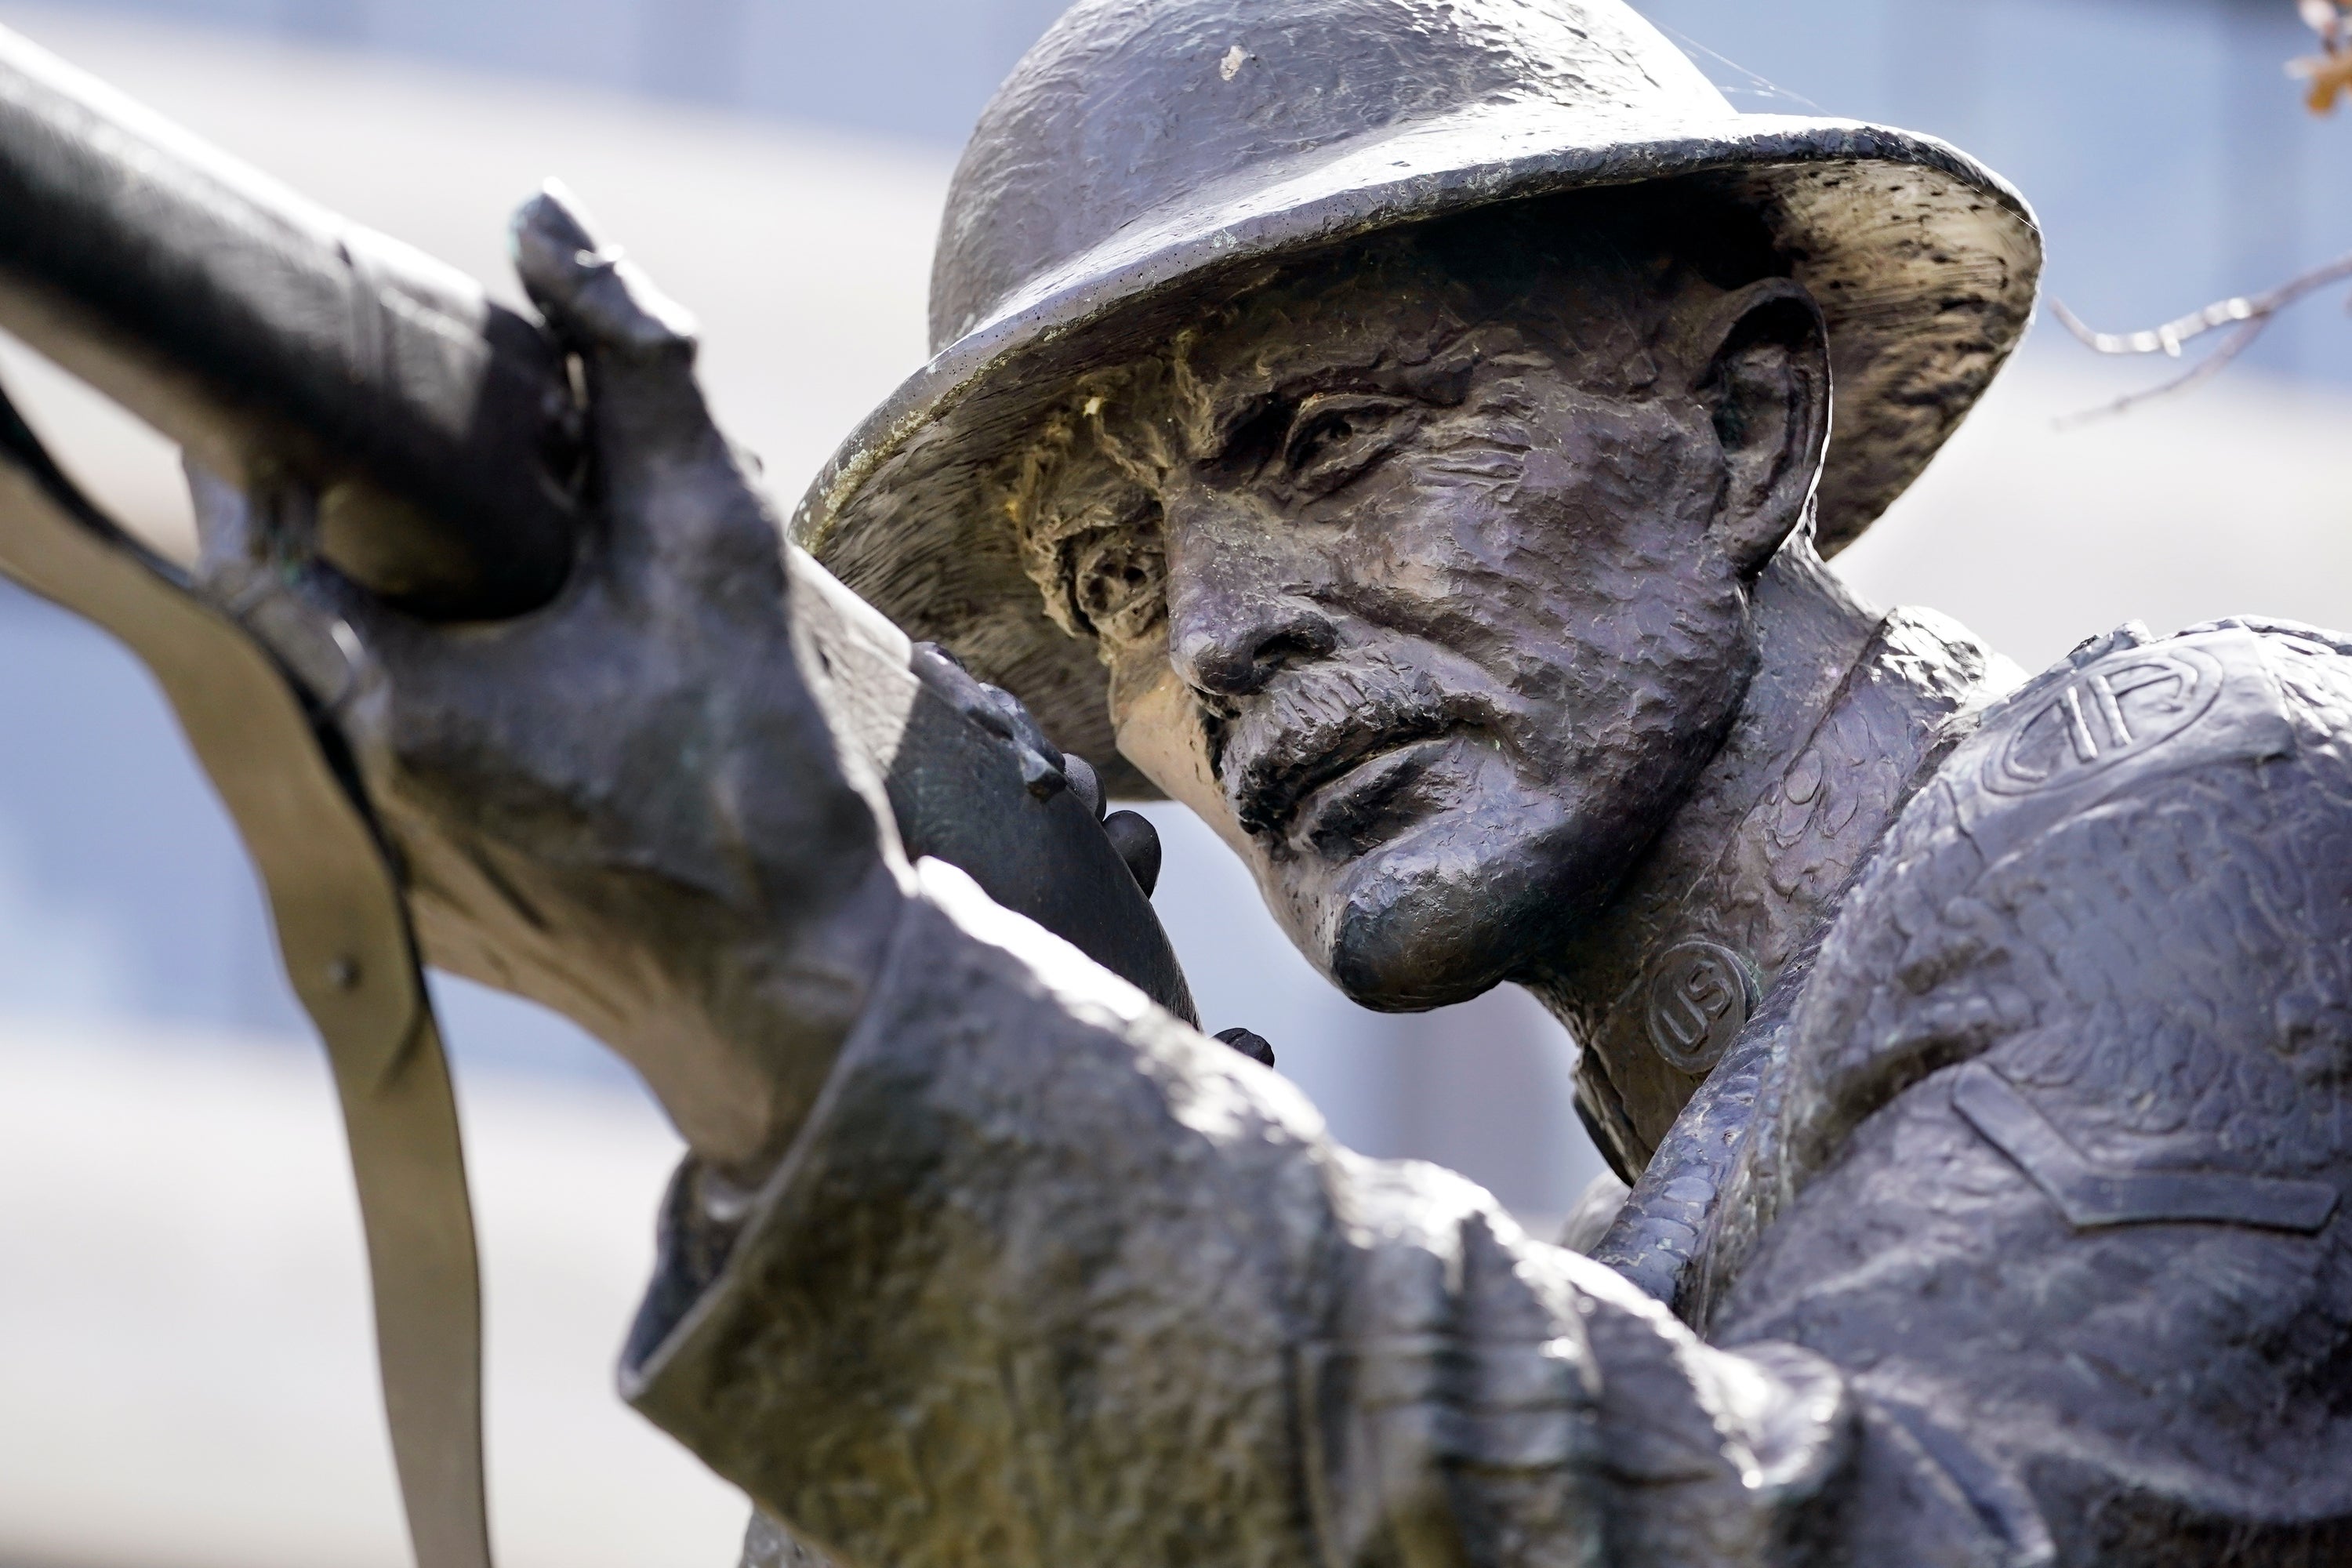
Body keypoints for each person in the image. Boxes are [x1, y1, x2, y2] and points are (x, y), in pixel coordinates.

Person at [194, 0, 2352, 1560]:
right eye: (1116, 580)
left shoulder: (2190, 797)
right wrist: (948, 1103)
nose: (1213, 646)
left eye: (1325, 446)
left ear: (1746, 427)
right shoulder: (1602, 1288)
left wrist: (860, 1032)